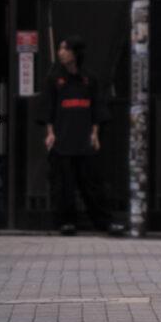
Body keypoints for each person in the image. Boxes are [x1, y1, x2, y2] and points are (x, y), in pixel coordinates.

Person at [39, 38, 123, 236]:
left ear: (74, 54)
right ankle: (66, 222)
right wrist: (50, 134)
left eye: (65, 49)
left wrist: (95, 134)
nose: (61, 52)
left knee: (93, 185)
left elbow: (96, 109)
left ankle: (104, 222)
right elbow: (48, 110)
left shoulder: (89, 79)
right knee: (63, 185)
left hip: (84, 139)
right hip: (62, 139)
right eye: (59, 48)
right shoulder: (54, 79)